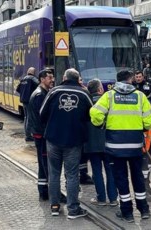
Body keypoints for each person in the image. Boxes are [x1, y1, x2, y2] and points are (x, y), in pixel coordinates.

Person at [90, 69, 151, 222]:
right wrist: (142, 127)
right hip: (135, 146)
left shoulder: (109, 95)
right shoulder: (140, 96)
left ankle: (127, 213)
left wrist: (101, 124)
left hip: (115, 147)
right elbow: (149, 120)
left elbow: (95, 114)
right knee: (138, 177)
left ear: (117, 80)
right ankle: (144, 209)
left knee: (121, 179)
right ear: (131, 79)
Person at [40, 68, 92, 219]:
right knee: (72, 175)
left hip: (53, 138)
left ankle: (55, 206)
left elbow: (42, 113)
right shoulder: (83, 93)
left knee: (54, 173)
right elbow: (92, 115)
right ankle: (73, 209)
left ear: (64, 77)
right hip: (74, 140)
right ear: (77, 79)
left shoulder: (53, 92)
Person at [85, 78, 118, 207]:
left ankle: (101, 198)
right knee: (110, 170)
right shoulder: (108, 101)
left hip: (91, 143)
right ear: (100, 89)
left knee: (96, 171)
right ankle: (113, 198)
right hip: (108, 142)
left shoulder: (85, 101)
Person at [27, 68, 55, 201]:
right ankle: (49, 191)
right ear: (42, 79)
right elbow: (42, 115)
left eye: (52, 77)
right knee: (45, 163)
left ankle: (44, 190)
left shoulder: (41, 93)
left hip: (40, 132)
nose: (52, 80)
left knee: (43, 163)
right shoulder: (40, 95)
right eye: (49, 77)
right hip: (42, 134)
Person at [16, 67, 39, 142]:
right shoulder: (32, 79)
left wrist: (24, 94)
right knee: (29, 118)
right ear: (34, 73)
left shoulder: (23, 79)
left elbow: (18, 89)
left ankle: (27, 134)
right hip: (30, 101)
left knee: (26, 117)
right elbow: (39, 84)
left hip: (24, 101)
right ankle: (28, 136)